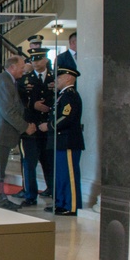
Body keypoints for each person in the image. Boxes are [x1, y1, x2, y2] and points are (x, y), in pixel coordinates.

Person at [0, 55, 35, 211]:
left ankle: (0, 198)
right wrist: (25, 127)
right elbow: (7, 110)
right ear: (12, 67)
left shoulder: (7, 80)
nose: (24, 70)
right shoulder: (4, 81)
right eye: (22, 67)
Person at [18, 49, 54, 206]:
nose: (36, 62)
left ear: (46, 60)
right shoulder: (25, 80)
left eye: (39, 59)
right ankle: (30, 195)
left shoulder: (54, 78)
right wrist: (33, 105)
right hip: (31, 127)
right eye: (33, 59)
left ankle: (52, 191)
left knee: (49, 163)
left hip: (48, 127)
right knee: (29, 163)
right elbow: (18, 101)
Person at [48, 66, 83, 216]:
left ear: (69, 78)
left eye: (59, 77)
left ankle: (72, 205)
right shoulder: (62, 95)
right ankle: (61, 203)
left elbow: (66, 117)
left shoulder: (70, 95)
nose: (56, 80)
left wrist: (49, 126)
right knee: (61, 175)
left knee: (69, 175)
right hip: (61, 140)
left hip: (68, 140)